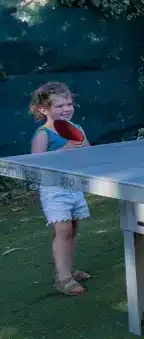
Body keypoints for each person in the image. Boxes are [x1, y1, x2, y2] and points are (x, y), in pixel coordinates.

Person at [29, 82, 92, 297]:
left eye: (69, 104)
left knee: (72, 229)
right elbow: (36, 164)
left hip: (74, 186)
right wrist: (64, 149)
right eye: (59, 106)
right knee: (62, 231)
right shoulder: (43, 134)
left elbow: (89, 152)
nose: (66, 109)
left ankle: (69, 269)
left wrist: (84, 150)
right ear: (44, 110)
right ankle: (62, 278)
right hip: (53, 190)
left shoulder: (77, 129)